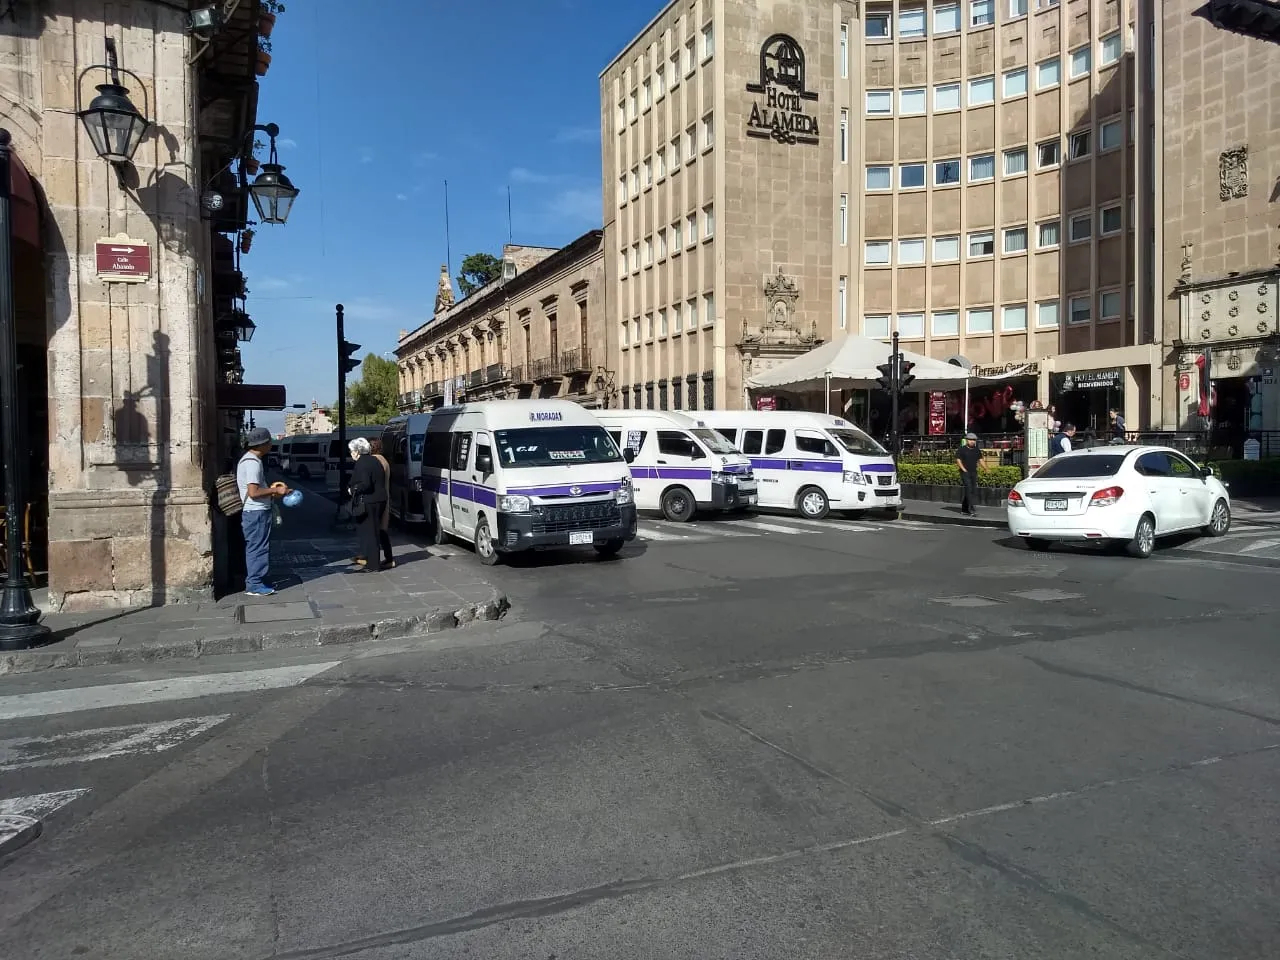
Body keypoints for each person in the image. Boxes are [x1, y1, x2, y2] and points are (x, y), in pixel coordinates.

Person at [236, 427, 292, 597]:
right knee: (258, 548)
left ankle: (260, 579)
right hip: (256, 512)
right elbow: (254, 492)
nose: (271, 445)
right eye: (269, 442)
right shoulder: (253, 463)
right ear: (262, 444)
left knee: (257, 546)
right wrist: (276, 492)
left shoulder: (248, 460)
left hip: (255, 511)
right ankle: (255, 584)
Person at [347, 436, 390, 571]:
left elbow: (366, 484)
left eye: (352, 451)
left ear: (358, 451)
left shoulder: (362, 463)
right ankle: (372, 561)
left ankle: (373, 564)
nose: (351, 454)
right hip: (380, 499)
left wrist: (353, 489)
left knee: (370, 533)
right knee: (374, 531)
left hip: (370, 501)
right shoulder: (374, 460)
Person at [955, 432, 982, 517]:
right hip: (965, 473)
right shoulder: (962, 449)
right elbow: (958, 460)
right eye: (970, 440)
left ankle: (964, 509)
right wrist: (963, 469)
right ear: (967, 440)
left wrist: (986, 468)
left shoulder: (977, 450)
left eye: (974, 440)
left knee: (972, 490)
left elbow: (980, 460)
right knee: (969, 489)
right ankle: (971, 510)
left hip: (974, 472)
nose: (972, 441)